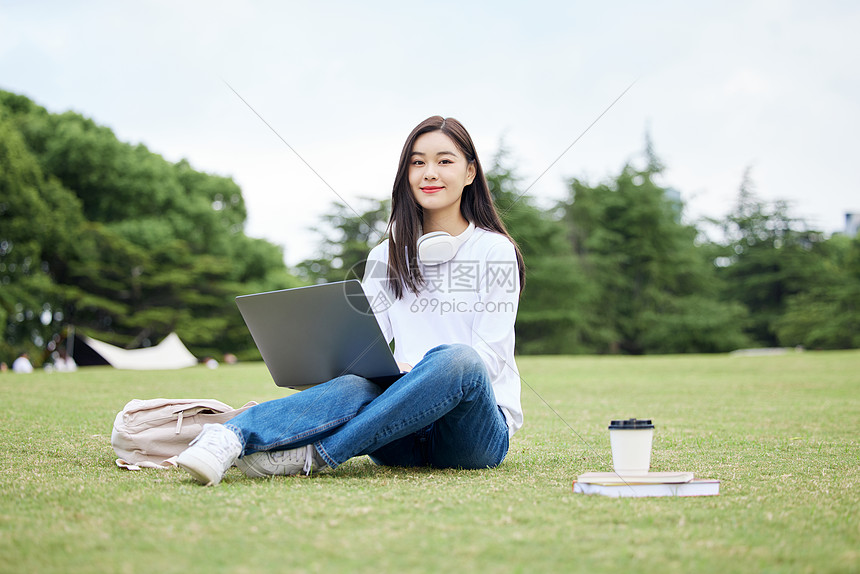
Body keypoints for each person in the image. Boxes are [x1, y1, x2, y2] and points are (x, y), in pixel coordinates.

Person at [177, 116, 526, 486]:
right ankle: (228, 437)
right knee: (357, 384)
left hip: (471, 436)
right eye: (418, 162)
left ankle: (318, 453)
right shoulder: (385, 256)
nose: (429, 173)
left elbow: (489, 362)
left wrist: (417, 373)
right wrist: (376, 369)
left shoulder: (494, 251)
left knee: (460, 359)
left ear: (470, 172)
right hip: (396, 434)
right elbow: (365, 349)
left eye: (445, 161)